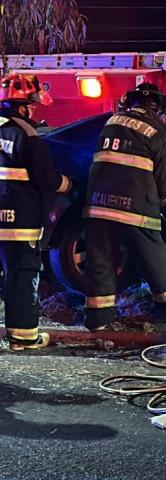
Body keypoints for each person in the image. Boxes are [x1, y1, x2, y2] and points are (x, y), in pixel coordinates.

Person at [83, 83, 166, 331]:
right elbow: (163, 177)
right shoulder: (157, 131)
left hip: (98, 203)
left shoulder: (111, 122)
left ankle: (98, 319)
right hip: (136, 206)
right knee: (153, 253)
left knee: (100, 258)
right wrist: (164, 199)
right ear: (158, 109)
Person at [0, 74, 72, 350]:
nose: (33, 111)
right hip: (19, 220)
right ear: (23, 106)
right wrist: (66, 182)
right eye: (31, 105)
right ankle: (24, 337)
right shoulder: (28, 136)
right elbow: (45, 179)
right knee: (22, 274)